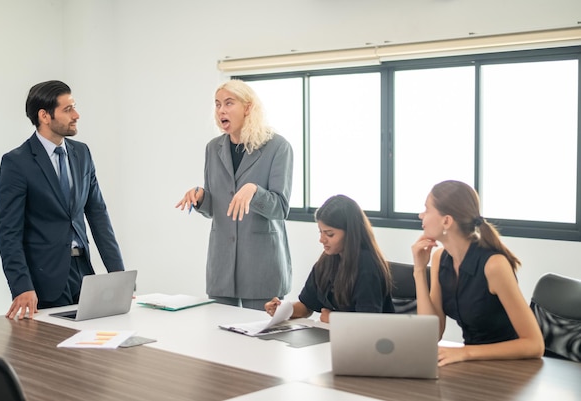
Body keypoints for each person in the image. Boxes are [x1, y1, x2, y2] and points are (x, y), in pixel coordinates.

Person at [0, 80, 125, 320]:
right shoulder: (17, 163)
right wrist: (21, 285)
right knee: (52, 352)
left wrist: (118, 276)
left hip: (84, 274)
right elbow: (8, 233)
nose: (76, 115)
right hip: (43, 280)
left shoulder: (82, 153)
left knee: (89, 350)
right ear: (44, 115)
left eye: (74, 107)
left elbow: (98, 216)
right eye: (68, 110)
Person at [176, 79, 293, 310]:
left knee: (260, 340)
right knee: (219, 338)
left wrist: (254, 191)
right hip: (222, 266)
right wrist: (201, 197)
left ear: (248, 107)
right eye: (217, 104)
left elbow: (280, 209)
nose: (221, 110)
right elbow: (214, 209)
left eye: (229, 103)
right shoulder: (213, 148)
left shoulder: (278, 147)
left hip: (262, 265)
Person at [412, 180, 544, 366]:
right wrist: (418, 270)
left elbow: (534, 345)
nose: (421, 215)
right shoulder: (440, 259)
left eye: (426, 209)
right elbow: (432, 333)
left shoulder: (494, 265)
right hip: (474, 363)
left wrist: (465, 352)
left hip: (511, 367)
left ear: (446, 221)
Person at [265, 195, 395, 323]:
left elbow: (369, 322)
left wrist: (335, 318)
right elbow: (307, 306)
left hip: (371, 342)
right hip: (337, 337)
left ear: (350, 233)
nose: (322, 240)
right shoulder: (327, 261)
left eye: (329, 234)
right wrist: (283, 309)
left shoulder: (367, 266)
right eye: (320, 232)